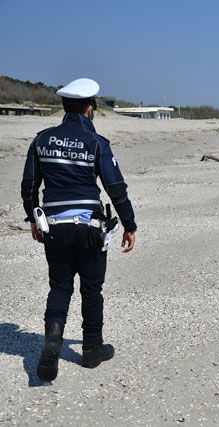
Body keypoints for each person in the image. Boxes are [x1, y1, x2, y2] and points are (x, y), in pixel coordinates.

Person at [21, 78, 137, 382]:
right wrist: (129, 224)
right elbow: (116, 188)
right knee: (91, 289)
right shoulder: (97, 143)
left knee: (60, 287)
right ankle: (91, 349)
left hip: (55, 227)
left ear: (64, 107)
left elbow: (29, 186)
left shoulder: (41, 140)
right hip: (89, 228)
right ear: (90, 109)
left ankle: (52, 341)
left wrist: (33, 219)